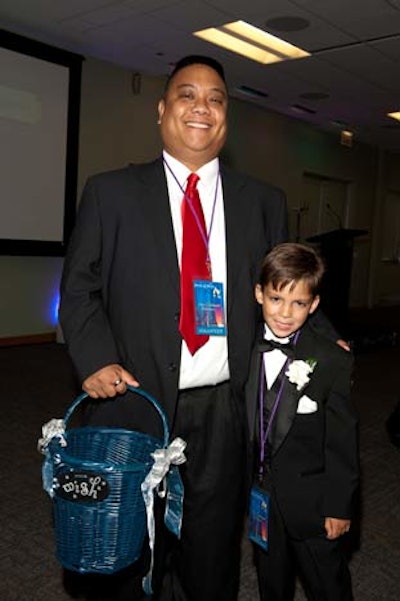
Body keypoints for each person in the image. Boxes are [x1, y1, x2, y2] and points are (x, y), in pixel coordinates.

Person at [59, 55, 337, 601]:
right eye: (187, 95)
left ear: (226, 117)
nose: (201, 107)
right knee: (133, 541)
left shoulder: (263, 202)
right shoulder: (110, 193)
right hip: (135, 399)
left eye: (214, 98)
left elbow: (289, 291)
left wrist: (325, 340)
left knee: (212, 544)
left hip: (226, 405)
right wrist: (91, 358)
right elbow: (78, 290)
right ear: (163, 110)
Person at [245, 242, 359, 601]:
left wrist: (338, 506)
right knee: (270, 580)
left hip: (311, 502)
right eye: (277, 299)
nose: (285, 313)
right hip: (260, 495)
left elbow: (342, 441)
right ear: (259, 294)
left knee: (327, 583)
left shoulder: (331, 360)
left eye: (299, 303)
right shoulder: (240, 350)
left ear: (314, 305)